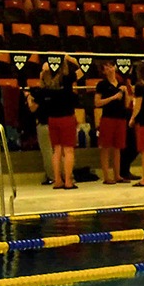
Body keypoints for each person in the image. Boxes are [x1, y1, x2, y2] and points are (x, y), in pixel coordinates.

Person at [40, 56, 82, 189]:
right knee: (68, 151)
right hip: (66, 117)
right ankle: (68, 181)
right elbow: (84, 69)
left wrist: (43, 71)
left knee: (56, 150)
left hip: (52, 118)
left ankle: (58, 180)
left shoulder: (46, 79)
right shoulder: (68, 77)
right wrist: (70, 58)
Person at [94, 59, 132, 184]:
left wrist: (126, 93)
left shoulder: (122, 84)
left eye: (111, 66)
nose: (110, 69)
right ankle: (106, 176)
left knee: (118, 148)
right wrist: (113, 98)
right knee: (105, 147)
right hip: (108, 118)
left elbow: (126, 104)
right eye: (107, 67)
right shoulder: (102, 85)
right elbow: (97, 102)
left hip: (120, 118)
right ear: (104, 71)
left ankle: (118, 175)